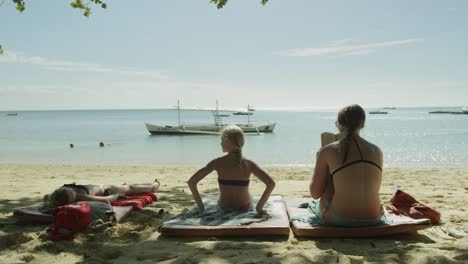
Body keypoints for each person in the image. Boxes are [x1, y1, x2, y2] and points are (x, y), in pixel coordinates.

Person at [310, 104, 384, 226]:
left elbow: (315, 193)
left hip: (340, 218)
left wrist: (320, 159)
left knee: (329, 181)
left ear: (339, 124)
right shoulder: (377, 150)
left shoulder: (328, 150)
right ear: (363, 125)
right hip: (373, 217)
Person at [188, 125, 275, 214]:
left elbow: (191, 182)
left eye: (222, 141)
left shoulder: (217, 162)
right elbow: (271, 184)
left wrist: (201, 207)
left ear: (228, 142)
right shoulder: (249, 164)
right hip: (244, 208)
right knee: (247, 190)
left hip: (224, 208)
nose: (220, 143)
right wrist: (259, 208)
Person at [43, 180, 160, 209]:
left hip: (104, 188)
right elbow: (107, 200)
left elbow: (47, 198)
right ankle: (154, 185)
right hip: (106, 190)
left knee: (129, 188)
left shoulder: (55, 196)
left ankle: (153, 186)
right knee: (130, 188)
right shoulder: (80, 196)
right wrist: (118, 196)